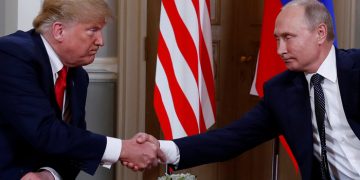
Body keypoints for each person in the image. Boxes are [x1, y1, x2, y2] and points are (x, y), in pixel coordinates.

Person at [127, 0, 360, 179]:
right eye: (277, 39)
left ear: (320, 33)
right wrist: (162, 148)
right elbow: (232, 138)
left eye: (288, 37)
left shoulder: (356, 70)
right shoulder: (282, 91)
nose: (280, 50)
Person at [0, 0, 165, 179]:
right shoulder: (12, 54)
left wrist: (49, 175)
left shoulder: (78, 76)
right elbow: (44, 130)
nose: (101, 41)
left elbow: (72, 145)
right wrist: (123, 148)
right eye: (92, 30)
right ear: (59, 31)